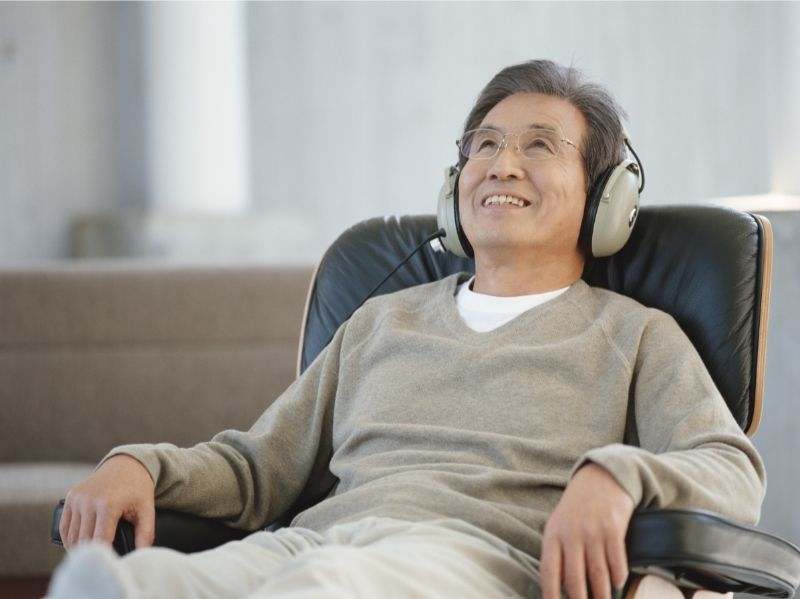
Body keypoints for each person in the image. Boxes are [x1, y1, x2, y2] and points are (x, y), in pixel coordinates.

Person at [47, 59, 766, 599]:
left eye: (539, 146)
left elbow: (731, 470)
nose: (500, 164)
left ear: (607, 200)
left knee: (327, 585)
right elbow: (258, 467)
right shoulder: (380, 320)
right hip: (311, 544)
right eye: (482, 146)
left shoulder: (636, 335)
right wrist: (137, 464)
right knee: (134, 582)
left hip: (473, 560)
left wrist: (616, 476)